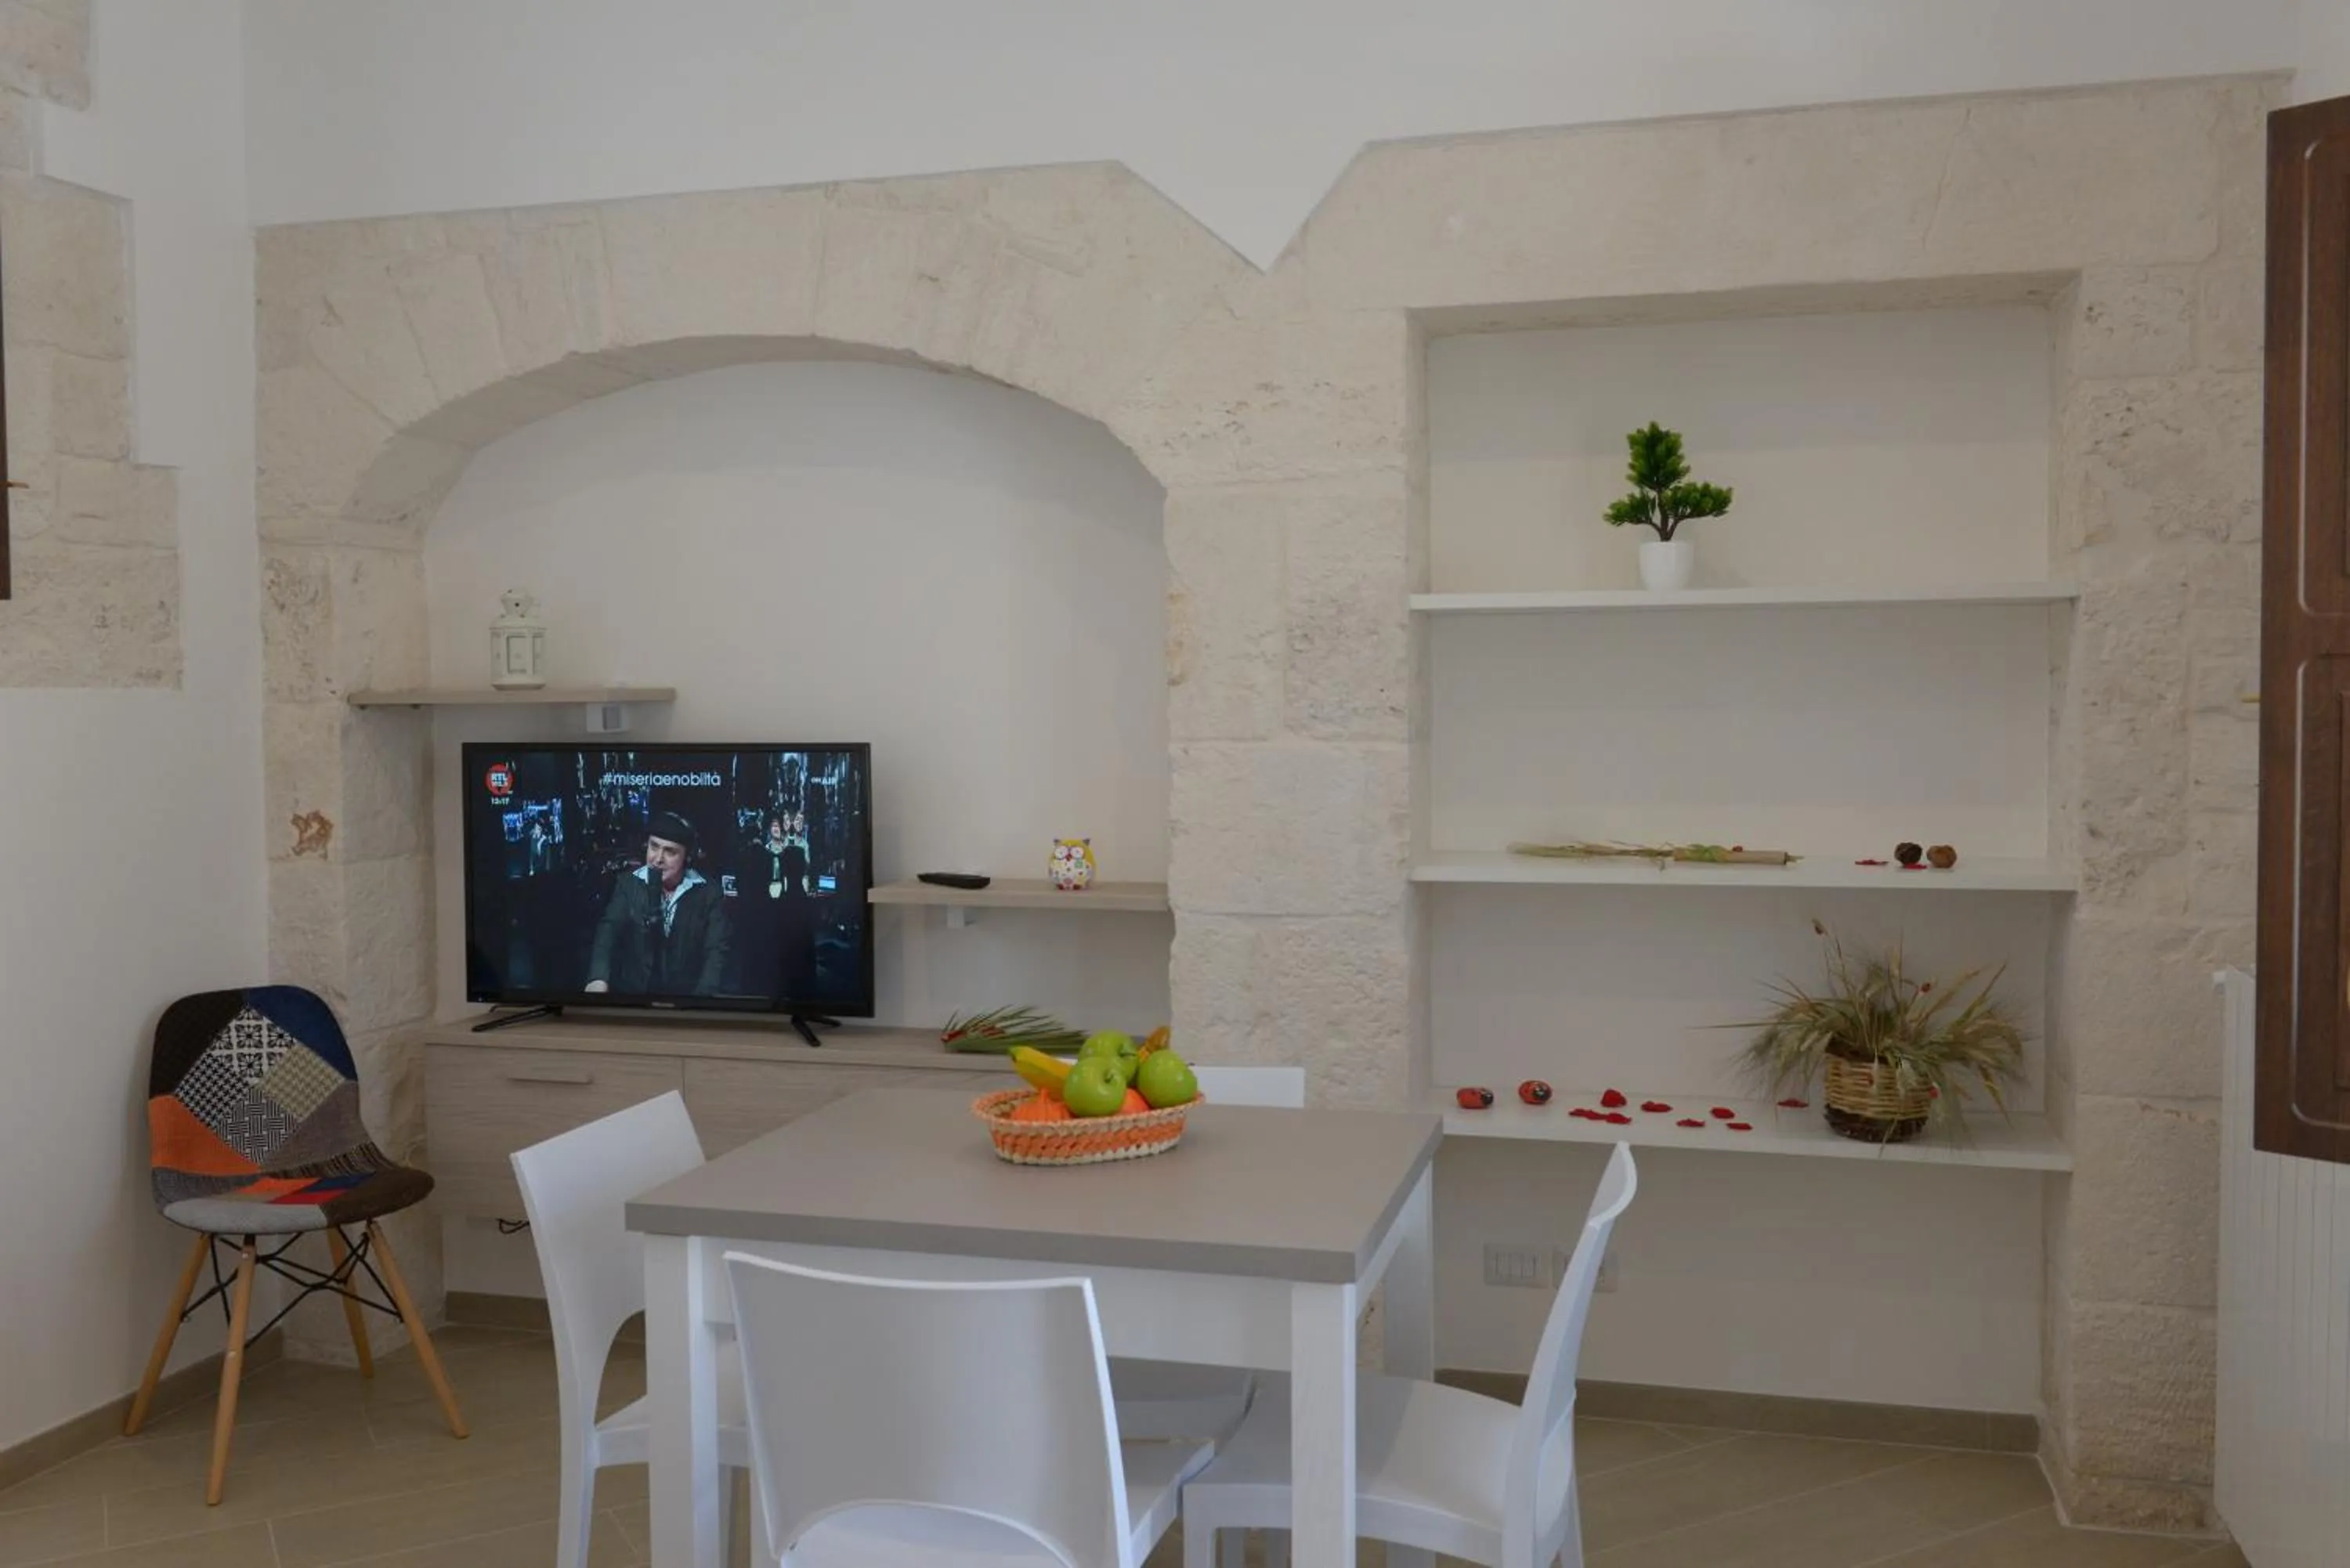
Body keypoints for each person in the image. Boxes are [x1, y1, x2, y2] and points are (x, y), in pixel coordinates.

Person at [584, 811, 732, 996]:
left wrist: (701, 1003)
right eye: (654, 847)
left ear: (687, 857)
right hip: (634, 997)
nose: (658, 859)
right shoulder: (628, 885)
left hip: (687, 1001)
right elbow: (608, 932)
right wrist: (598, 978)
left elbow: (716, 952)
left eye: (670, 852)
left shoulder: (709, 893)